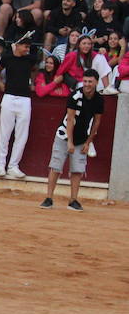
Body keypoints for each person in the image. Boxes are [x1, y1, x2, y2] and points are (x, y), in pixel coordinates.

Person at [41, 71, 102, 211]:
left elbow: (96, 122)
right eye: (85, 81)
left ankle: (73, 200)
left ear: (96, 82)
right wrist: (69, 141)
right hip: (64, 135)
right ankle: (49, 198)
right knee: (56, 166)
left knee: (77, 170)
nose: (87, 84)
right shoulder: (75, 96)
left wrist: (88, 142)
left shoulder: (99, 100)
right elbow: (69, 119)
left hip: (81, 138)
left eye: (90, 81)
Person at [0, 34, 37, 178]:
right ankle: (0, 164)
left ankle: (13, 165)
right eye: (25, 46)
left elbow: (35, 70)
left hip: (25, 98)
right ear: (17, 46)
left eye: (28, 47)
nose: (27, 49)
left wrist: (32, 82)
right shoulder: (7, 58)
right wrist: (0, 83)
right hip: (9, 97)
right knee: (5, 133)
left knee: (21, 134)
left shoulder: (30, 59)